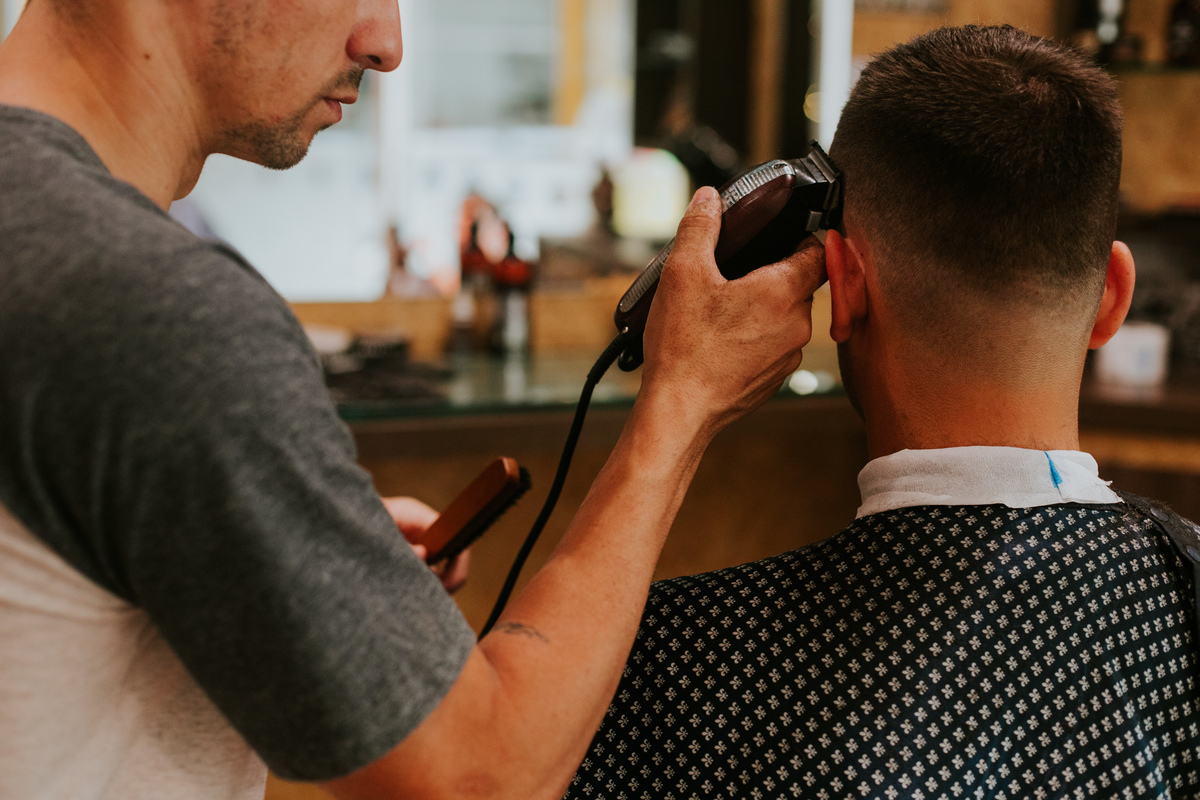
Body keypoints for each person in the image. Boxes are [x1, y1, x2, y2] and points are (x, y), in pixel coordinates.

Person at [0, 0, 827, 798]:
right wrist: (683, 399)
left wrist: (286, 527)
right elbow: (482, 780)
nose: (385, 44)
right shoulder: (155, 310)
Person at [567, 25, 1200, 800]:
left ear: (844, 285)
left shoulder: (666, 669)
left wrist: (678, 397)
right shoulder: (1184, 596)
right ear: (1112, 297)